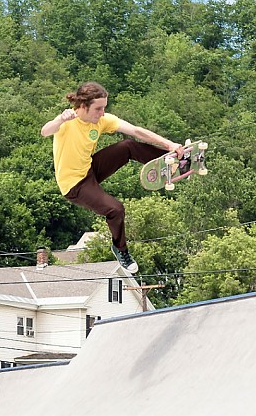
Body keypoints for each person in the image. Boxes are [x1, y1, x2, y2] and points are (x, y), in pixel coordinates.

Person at [41, 81, 183, 273]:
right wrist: (59, 119)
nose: (101, 113)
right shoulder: (67, 123)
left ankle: (172, 162)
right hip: (75, 185)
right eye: (98, 109)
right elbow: (45, 131)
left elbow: (136, 131)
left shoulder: (101, 120)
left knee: (127, 146)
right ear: (83, 106)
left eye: (104, 108)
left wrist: (169, 145)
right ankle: (120, 248)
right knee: (116, 209)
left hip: (90, 169)